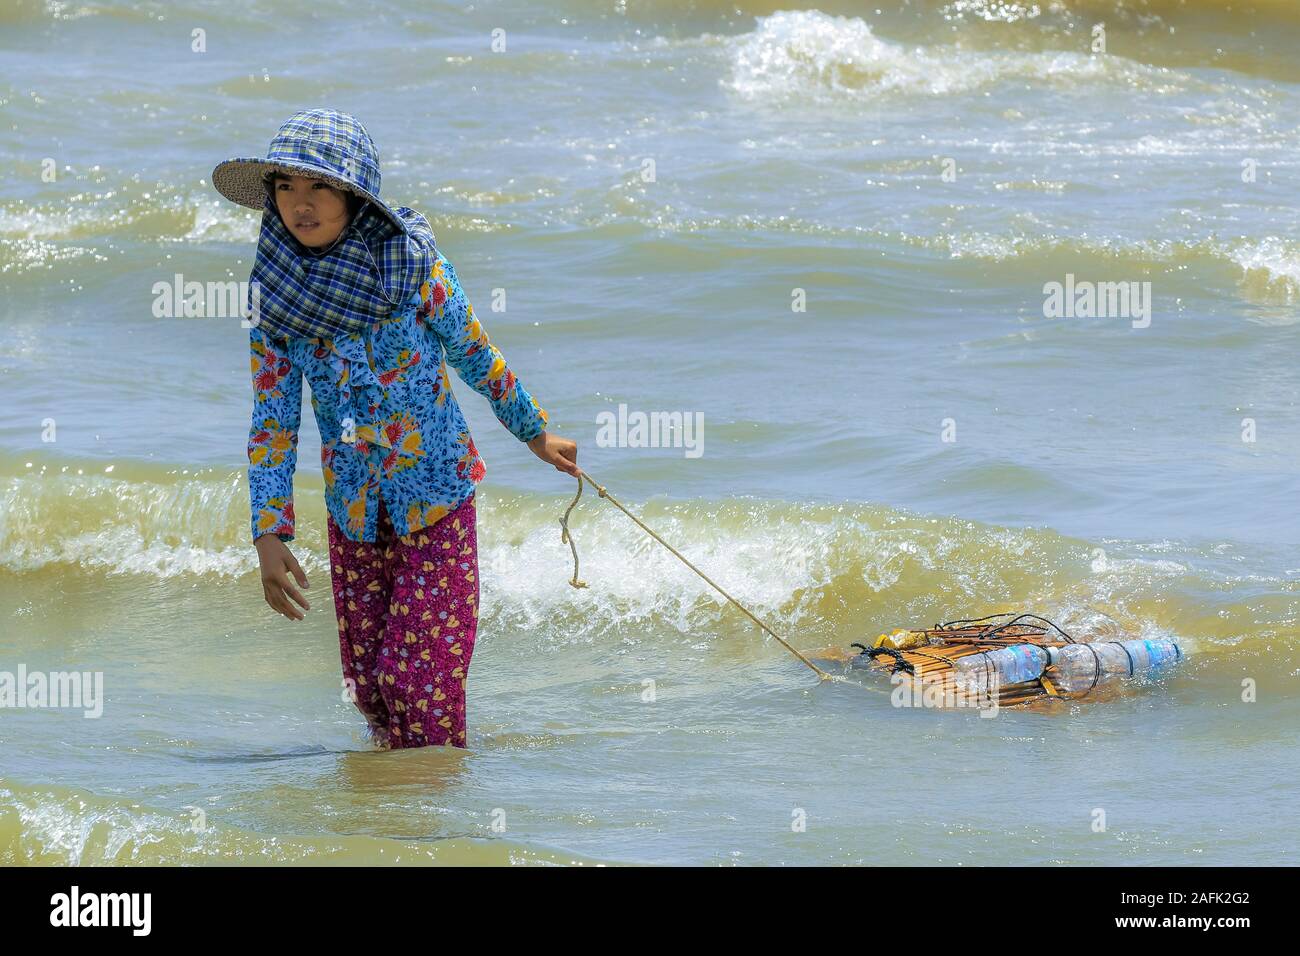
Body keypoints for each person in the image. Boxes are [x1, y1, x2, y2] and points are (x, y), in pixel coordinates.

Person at [212, 109, 579, 749]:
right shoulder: (276, 298)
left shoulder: (412, 269)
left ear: (355, 196)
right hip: (355, 511)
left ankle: (432, 809)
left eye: (319, 186)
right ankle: (395, 815)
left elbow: (473, 352)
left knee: (417, 682)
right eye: (286, 187)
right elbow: (272, 421)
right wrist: (268, 533)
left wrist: (534, 432)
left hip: (436, 495)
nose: (301, 204)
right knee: (369, 687)